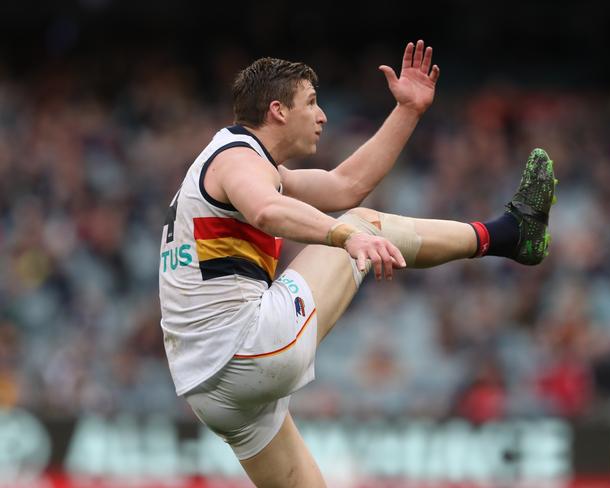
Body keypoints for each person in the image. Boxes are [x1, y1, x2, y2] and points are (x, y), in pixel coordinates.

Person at [158, 40, 556, 487]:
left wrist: (408, 110)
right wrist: (348, 235)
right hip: (243, 348)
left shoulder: (246, 163)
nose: (322, 115)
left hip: (208, 386)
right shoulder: (237, 156)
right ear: (278, 111)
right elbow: (267, 211)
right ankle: (507, 234)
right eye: (311, 102)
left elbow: (346, 184)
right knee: (363, 224)